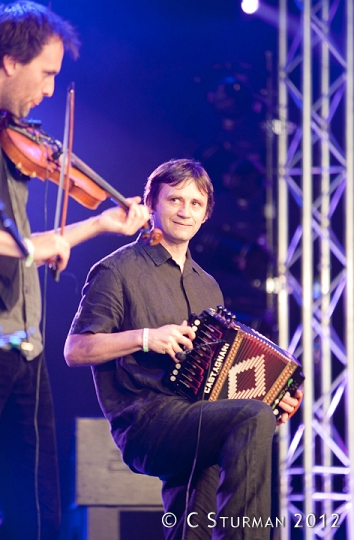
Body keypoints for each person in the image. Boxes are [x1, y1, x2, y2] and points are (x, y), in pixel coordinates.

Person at [64, 158, 303, 540]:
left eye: (195, 204)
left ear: (206, 214)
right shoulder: (116, 270)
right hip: (147, 422)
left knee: (194, 526)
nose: (184, 211)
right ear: (152, 204)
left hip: (198, 417)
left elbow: (220, 377)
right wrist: (145, 337)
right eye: (175, 200)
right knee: (248, 418)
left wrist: (271, 401)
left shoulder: (207, 285)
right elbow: (75, 349)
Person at [0, 2, 149, 539]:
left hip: (23, 347)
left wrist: (99, 223)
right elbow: (19, 246)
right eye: (47, 74)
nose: (51, 91)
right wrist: (45, 244)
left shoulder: (9, 140)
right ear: (11, 60)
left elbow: (26, 243)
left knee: (34, 514)